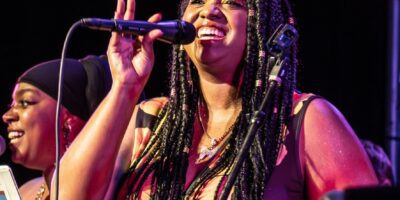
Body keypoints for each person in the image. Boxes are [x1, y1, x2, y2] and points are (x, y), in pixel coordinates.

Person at [54, 0, 379, 199]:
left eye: (232, 2)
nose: (209, 11)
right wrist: (124, 88)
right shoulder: (151, 121)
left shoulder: (304, 119)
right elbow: (65, 197)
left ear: (264, 23)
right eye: (197, 1)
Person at [2, 55, 112, 200]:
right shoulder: (27, 191)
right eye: (12, 105)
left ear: (70, 121)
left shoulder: (108, 190)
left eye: (25, 102)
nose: (6, 116)